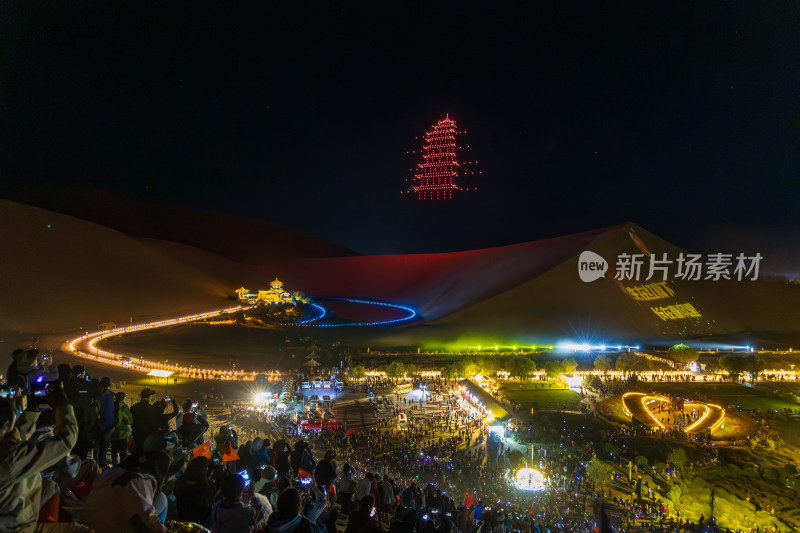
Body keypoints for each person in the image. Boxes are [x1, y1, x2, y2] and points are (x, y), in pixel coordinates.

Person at [0, 382, 79, 532]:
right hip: (16, 528)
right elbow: (66, 440)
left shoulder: (9, 453)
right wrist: (63, 404)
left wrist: (32, 411)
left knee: (50, 486)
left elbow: (17, 442)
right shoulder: (10, 460)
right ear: (6, 425)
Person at [174, 456, 218, 525]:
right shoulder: (207, 489)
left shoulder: (179, 483)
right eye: (207, 468)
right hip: (199, 525)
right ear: (204, 471)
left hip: (181, 520)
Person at [130, 388, 159, 455]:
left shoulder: (134, 407)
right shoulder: (152, 409)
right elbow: (154, 423)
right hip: (148, 437)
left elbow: (131, 421)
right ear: (149, 397)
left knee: (138, 454)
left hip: (136, 435)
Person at [94, 377, 115, 467]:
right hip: (105, 426)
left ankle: (95, 463)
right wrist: (112, 426)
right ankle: (101, 464)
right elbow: (109, 413)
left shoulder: (95, 395)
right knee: (103, 447)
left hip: (95, 424)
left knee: (96, 446)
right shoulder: (109, 398)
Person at [111, 391, 133, 465]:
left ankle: (114, 468)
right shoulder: (123, 407)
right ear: (123, 398)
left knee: (114, 452)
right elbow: (129, 420)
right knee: (123, 453)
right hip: (122, 433)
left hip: (112, 433)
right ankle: (122, 469)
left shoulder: (111, 405)